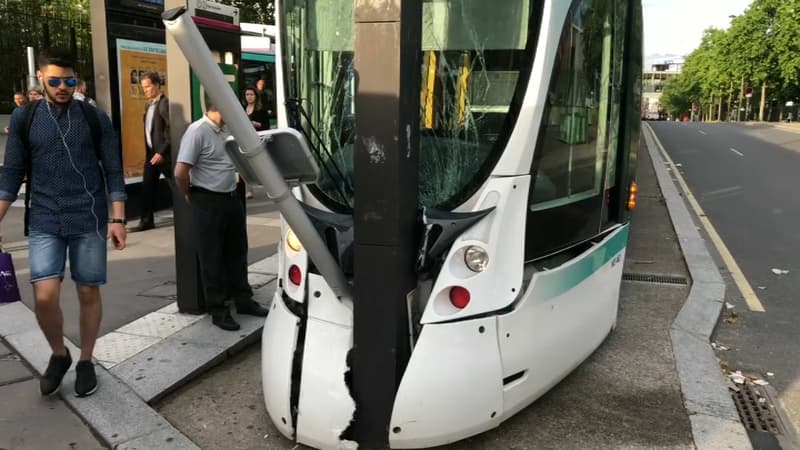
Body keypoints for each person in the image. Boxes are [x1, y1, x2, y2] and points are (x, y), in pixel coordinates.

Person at [0, 49, 127, 397]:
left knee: (88, 289)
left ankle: (86, 360)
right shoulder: (25, 117)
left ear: (77, 82)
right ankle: (60, 353)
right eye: (54, 80)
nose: (62, 87)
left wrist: (118, 218)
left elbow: (114, 170)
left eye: (69, 81)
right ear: (40, 79)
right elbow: (10, 175)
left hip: (89, 216)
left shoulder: (93, 117)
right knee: (44, 296)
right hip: (44, 217)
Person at [174, 104, 268, 331]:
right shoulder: (197, 131)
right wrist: (191, 195)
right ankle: (218, 310)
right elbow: (180, 172)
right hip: (207, 199)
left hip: (230, 197)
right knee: (212, 257)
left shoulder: (227, 130)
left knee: (237, 251)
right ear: (217, 105)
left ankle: (243, 300)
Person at [131, 71, 171, 232]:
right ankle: (146, 221)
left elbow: (171, 130)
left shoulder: (164, 103)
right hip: (151, 153)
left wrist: (162, 153)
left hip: (163, 154)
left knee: (176, 185)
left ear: (156, 85)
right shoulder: (149, 105)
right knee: (147, 186)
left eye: (148, 86)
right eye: (143, 87)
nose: (145, 90)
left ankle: (189, 215)